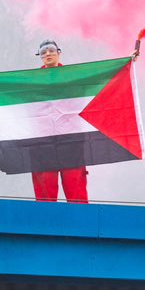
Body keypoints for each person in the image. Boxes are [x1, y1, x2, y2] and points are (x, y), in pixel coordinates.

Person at [30, 39, 89, 203]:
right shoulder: (31, 80)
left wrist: (126, 62)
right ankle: (46, 222)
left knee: (75, 182)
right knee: (45, 184)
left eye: (51, 50)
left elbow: (99, 77)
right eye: (43, 52)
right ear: (40, 57)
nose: (47, 54)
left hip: (70, 138)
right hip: (43, 140)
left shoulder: (72, 76)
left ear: (59, 53)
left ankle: (81, 222)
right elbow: (8, 88)